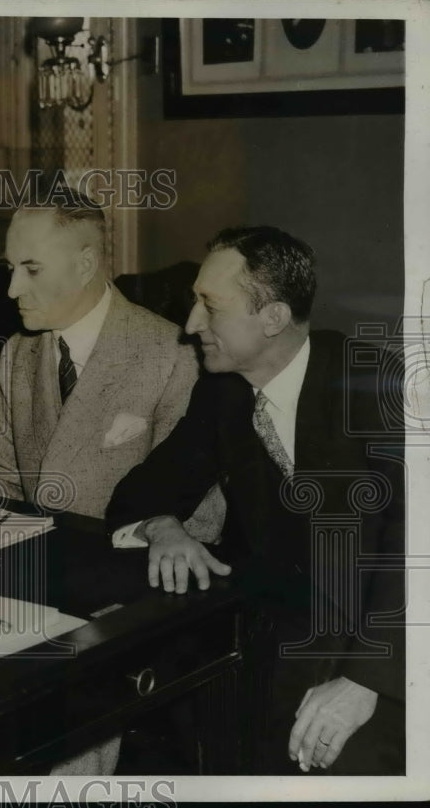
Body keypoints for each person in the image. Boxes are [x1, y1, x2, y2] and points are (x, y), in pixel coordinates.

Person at [106, 226, 405, 775]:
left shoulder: (377, 383)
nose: (191, 325)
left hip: (387, 648)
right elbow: (138, 495)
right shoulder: (221, 392)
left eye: (208, 306)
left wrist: (364, 681)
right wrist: (164, 527)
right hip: (275, 646)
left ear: (272, 318)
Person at [0, 188, 223, 776]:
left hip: (124, 607)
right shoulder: (18, 353)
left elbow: (201, 518)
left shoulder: (172, 354)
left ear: (85, 263)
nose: (12, 289)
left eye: (31, 269)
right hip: (25, 587)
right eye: (11, 269)